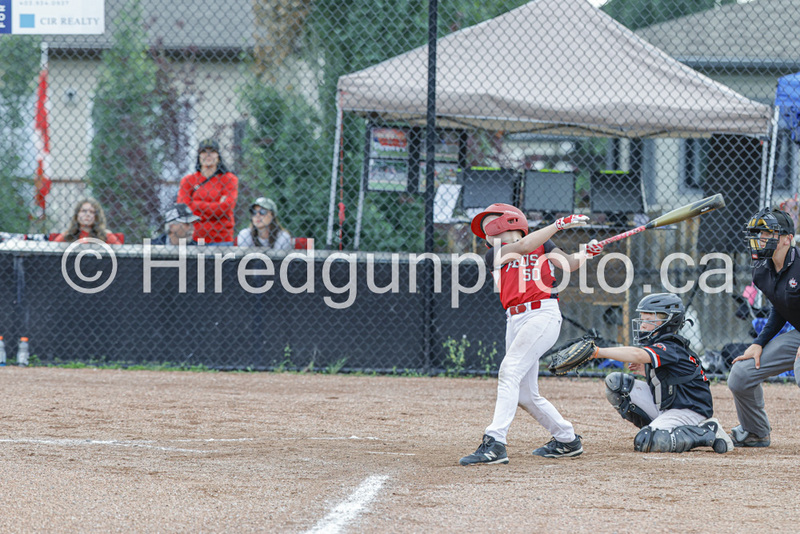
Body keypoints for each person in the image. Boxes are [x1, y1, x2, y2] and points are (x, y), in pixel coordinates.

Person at [459, 203, 595, 466]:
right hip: (515, 319)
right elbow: (522, 248)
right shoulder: (493, 254)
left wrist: (587, 252)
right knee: (524, 394)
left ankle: (495, 442)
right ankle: (567, 439)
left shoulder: (544, 244)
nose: (485, 233)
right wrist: (558, 224)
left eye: (489, 224)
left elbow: (568, 264)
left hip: (541, 314)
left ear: (507, 222)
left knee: (509, 370)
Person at [588, 292, 733, 454]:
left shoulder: (670, 346)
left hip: (690, 411)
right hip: (669, 406)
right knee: (617, 384)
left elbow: (637, 354)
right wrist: (647, 371)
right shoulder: (662, 346)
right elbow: (671, 379)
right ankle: (660, 427)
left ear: (668, 322)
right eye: (643, 319)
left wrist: (597, 352)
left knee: (646, 441)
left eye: (649, 321)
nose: (643, 325)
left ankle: (707, 431)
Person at [727, 208, 800, 447]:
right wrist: (759, 343)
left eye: (769, 233)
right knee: (741, 374)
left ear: (788, 239)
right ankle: (755, 432)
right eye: (758, 234)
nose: (761, 239)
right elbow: (781, 307)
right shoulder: (761, 271)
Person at [177, 138, 239, 245]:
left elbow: (226, 208)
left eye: (212, 151)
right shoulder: (188, 180)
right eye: (204, 151)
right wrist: (216, 207)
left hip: (221, 239)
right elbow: (183, 210)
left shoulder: (229, 179)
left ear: (218, 156)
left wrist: (195, 204)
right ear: (199, 156)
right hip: (193, 238)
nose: (208, 155)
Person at [52, 198, 121, 244]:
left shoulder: (105, 236)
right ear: (77, 214)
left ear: (96, 216)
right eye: (83, 211)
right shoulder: (67, 235)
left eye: (91, 212)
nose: (87, 214)